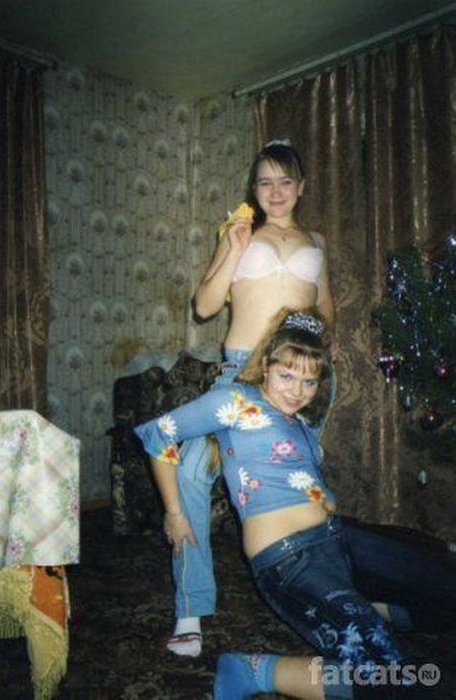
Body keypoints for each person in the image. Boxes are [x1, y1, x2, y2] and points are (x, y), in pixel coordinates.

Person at [134, 309, 456, 699]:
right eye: (286, 375)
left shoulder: (300, 421)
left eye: (308, 381)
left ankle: (367, 608)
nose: (297, 390)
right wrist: (175, 513)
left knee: (446, 588)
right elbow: (158, 435)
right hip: (291, 561)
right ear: (265, 366)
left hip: (341, 539)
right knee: (395, 680)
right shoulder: (237, 401)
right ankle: (253, 670)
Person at [165, 139, 337, 657]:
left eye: (285, 181)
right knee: (192, 470)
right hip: (242, 373)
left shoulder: (316, 241)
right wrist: (233, 249)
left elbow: (327, 310)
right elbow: (204, 305)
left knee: (302, 486)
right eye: (265, 182)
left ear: (301, 187)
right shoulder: (238, 232)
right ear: (253, 188)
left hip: (297, 377)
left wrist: (313, 364)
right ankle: (191, 606)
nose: (276, 191)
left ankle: (329, 597)